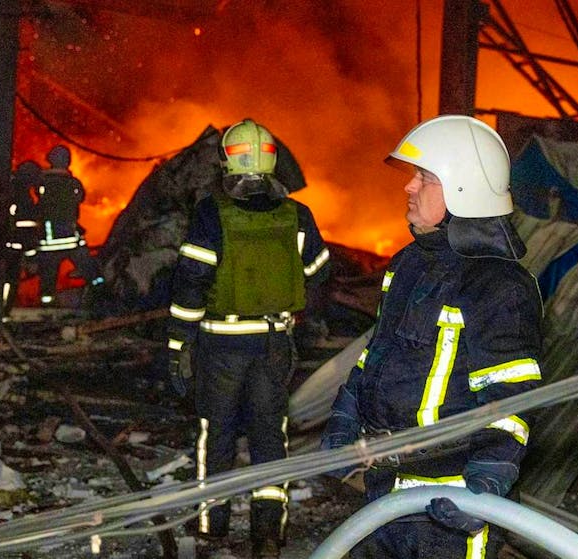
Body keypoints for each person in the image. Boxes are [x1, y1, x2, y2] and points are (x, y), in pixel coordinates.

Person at [321, 115, 544, 558]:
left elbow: (514, 399)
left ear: (465, 188)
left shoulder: (498, 285)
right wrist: (348, 413)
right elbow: (376, 354)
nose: (409, 187)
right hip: (386, 491)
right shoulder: (407, 265)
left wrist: (485, 486)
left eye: (424, 178)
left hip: (450, 507)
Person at [166, 118, 330, 558]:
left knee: (215, 433)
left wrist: (177, 344)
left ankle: (212, 526)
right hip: (275, 344)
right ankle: (267, 535)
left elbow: (191, 283)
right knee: (269, 437)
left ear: (227, 164)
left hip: (221, 344)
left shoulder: (210, 214)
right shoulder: (298, 215)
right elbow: (318, 273)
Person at [34, 144, 104, 305]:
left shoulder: (43, 182)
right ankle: (101, 293)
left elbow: (39, 197)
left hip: (49, 241)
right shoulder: (74, 184)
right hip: (71, 238)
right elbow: (80, 198)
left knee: (48, 277)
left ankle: (46, 305)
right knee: (89, 268)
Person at [0, 160, 42, 320]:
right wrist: (32, 259)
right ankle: (2, 313)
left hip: (1, 246)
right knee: (9, 281)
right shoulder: (23, 197)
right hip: (12, 249)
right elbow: (26, 229)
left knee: (0, 280)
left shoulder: (8, 187)